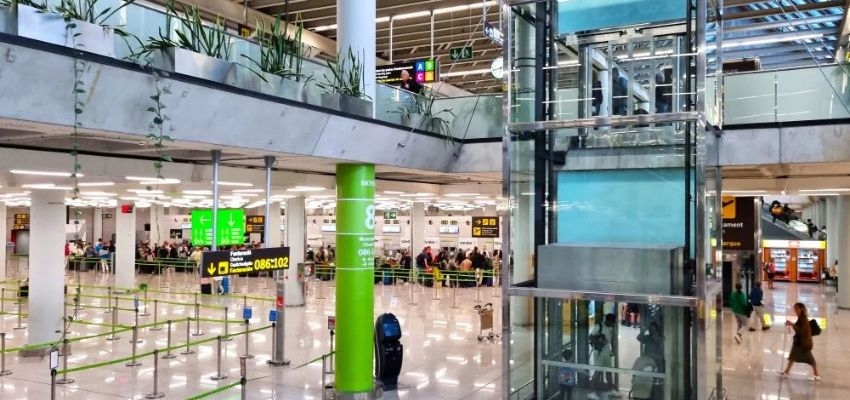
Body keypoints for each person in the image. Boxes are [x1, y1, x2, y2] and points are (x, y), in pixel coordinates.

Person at [781, 302, 820, 380]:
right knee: (792, 356)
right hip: (799, 341)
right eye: (794, 308)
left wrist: (791, 324)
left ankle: (817, 375)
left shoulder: (803, 318)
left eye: (796, 308)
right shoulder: (801, 317)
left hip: (803, 342)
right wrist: (792, 325)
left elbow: (801, 330)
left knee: (810, 359)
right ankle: (786, 371)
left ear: (801, 309)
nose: (795, 310)